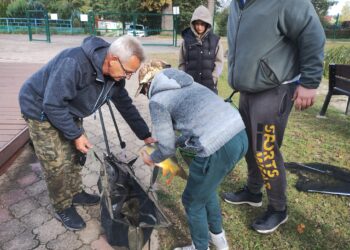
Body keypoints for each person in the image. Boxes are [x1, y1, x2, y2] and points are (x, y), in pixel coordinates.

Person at [18, 35, 155, 231]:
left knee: (75, 156)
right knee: (56, 162)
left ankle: (74, 192)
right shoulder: (74, 63)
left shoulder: (115, 78)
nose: (127, 77)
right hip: (41, 109)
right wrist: (76, 135)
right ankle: (62, 206)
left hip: (68, 109)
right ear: (113, 59)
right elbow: (52, 104)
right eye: (127, 72)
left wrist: (145, 134)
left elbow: (125, 105)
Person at [223, 0, 326, 234]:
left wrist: (309, 83)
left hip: (274, 89)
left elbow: (312, 32)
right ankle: (253, 191)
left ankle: (279, 208)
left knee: (265, 151)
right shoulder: (238, 4)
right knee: (250, 147)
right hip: (248, 90)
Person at [137, 60, 248, 250]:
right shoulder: (190, 83)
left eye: (143, 90)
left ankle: (200, 247)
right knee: (206, 190)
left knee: (192, 200)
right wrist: (170, 142)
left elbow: (166, 150)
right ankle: (219, 241)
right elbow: (193, 126)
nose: (145, 94)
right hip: (239, 134)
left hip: (217, 146)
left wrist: (151, 158)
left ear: (148, 84)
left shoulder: (157, 100)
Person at [178, 5, 224, 94]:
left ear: (207, 24)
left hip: (209, 88)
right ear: (193, 23)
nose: (199, 27)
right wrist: (184, 79)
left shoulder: (215, 41)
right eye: (197, 24)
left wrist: (214, 78)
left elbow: (219, 63)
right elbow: (181, 62)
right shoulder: (186, 40)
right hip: (190, 87)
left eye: (202, 24)